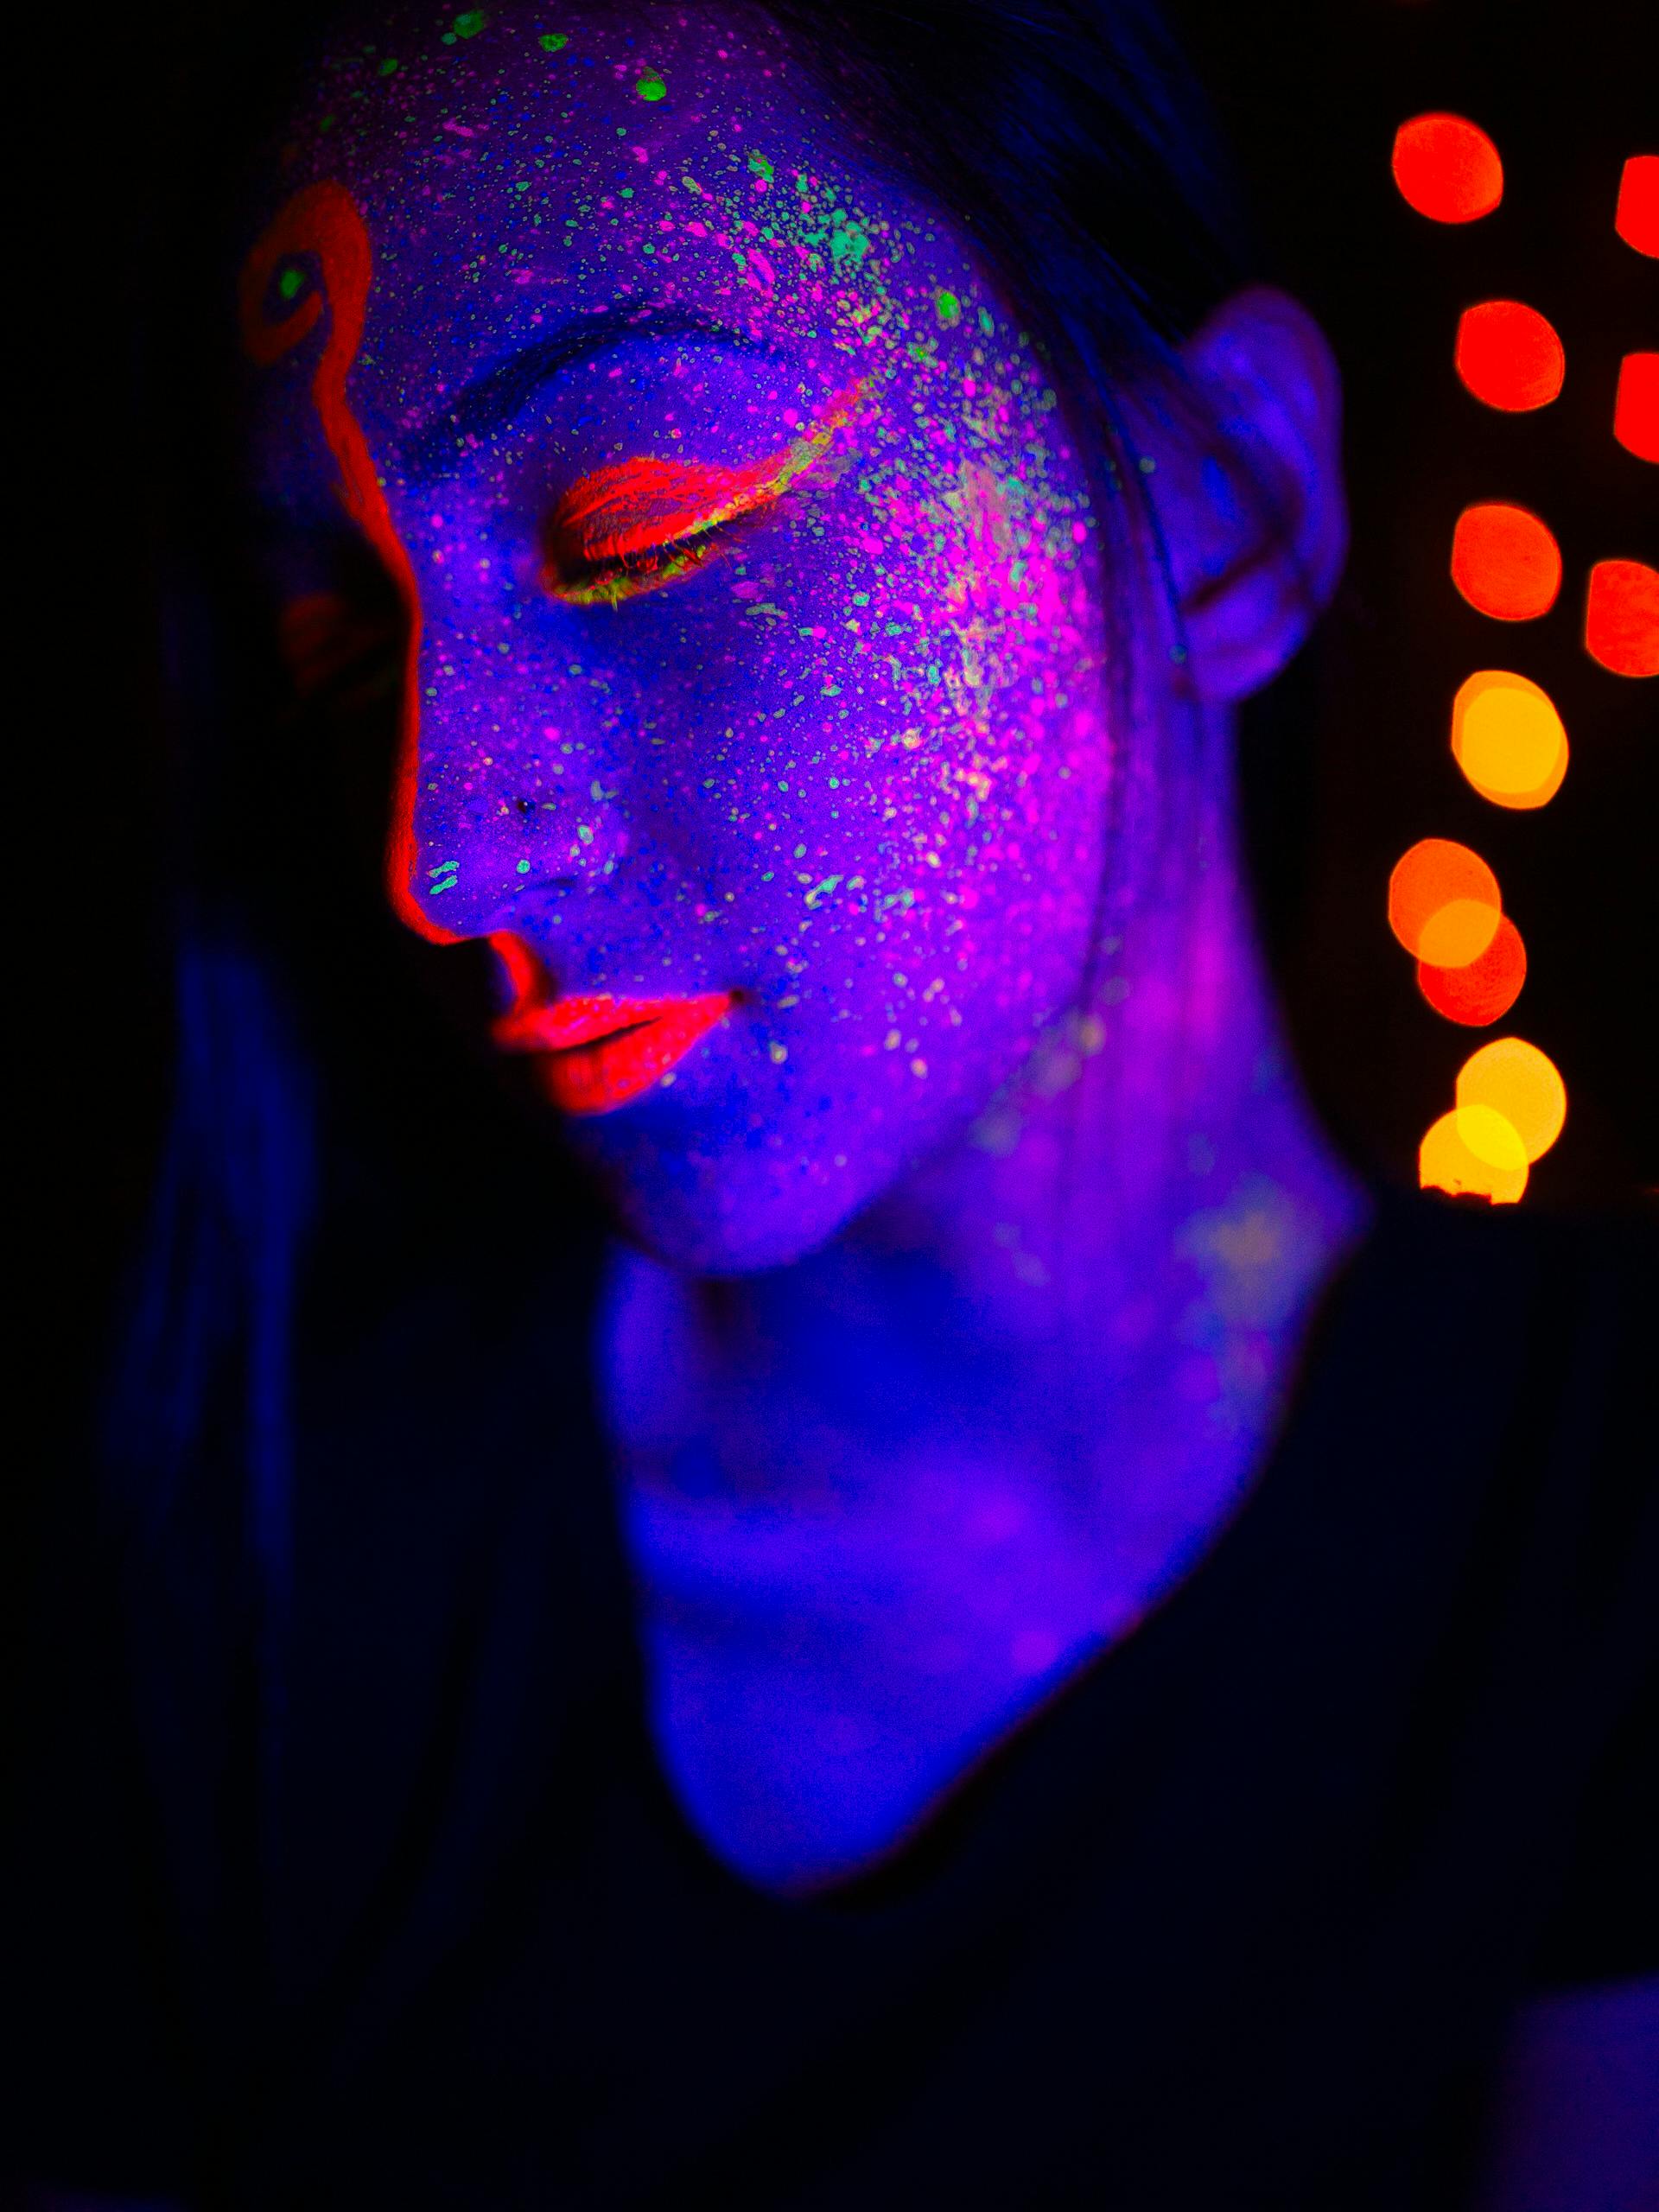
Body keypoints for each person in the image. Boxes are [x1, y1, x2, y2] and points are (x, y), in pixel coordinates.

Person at [7, 2, 1655, 2205]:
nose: (437, 847)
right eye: (336, 638)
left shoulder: (1607, 1507)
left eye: (634, 521)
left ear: (1225, 509)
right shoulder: (237, 1575)